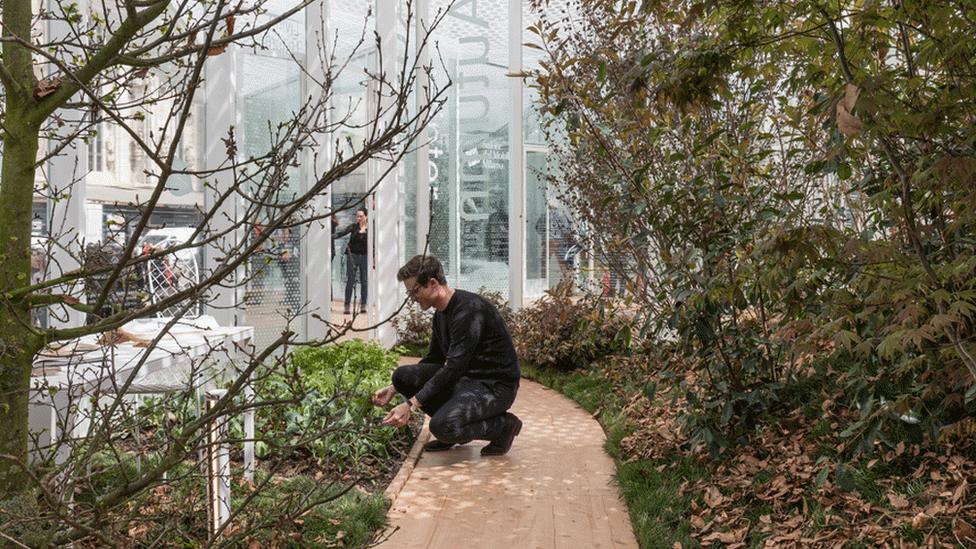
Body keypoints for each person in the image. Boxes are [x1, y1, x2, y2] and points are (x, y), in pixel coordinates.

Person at [371, 255, 523, 456]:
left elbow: (453, 367)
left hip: (494, 387)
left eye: (414, 291)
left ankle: (503, 427)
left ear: (433, 284)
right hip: (467, 381)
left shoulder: (468, 311)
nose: (412, 298)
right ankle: (459, 428)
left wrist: (410, 404)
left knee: (443, 426)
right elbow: (435, 359)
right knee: (402, 377)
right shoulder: (441, 313)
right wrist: (395, 388)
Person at [333, 208, 368, 314]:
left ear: (366, 216)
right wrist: (329, 237)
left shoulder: (371, 229)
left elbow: (374, 243)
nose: (358, 218)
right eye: (357, 216)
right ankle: (347, 305)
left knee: (364, 281)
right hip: (352, 256)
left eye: (361, 216)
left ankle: (363, 305)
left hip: (364, 256)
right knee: (350, 280)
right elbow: (341, 233)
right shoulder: (353, 227)